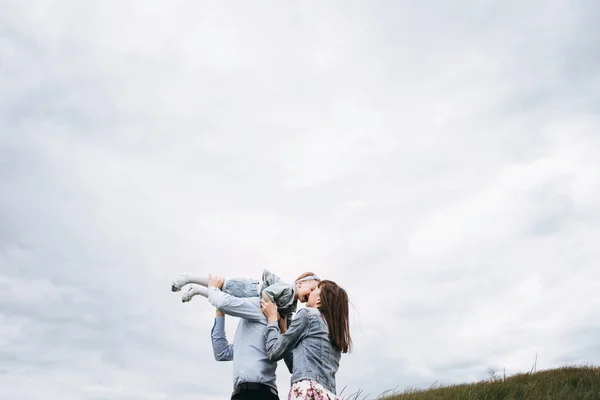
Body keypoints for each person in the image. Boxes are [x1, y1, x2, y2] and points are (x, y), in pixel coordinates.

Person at [260, 280, 352, 400]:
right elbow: (295, 366)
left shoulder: (307, 314)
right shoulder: (334, 330)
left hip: (307, 391)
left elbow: (274, 352)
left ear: (319, 299)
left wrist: (272, 319)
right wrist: (284, 331)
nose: (311, 292)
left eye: (315, 290)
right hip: (328, 393)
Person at [207, 274, 291, 400]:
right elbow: (222, 353)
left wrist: (213, 288)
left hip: (260, 393)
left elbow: (222, 301)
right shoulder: (249, 324)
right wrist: (219, 313)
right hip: (240, 393)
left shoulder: (261, 306)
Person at [172, 269, 320, 319]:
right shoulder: (287, 288)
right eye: (312, 289)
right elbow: (267, 292)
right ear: (299, 283)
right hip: (249, 289)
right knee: (222, 285)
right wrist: (272, 308)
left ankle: (196, 290)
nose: (311, 294)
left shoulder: (292, 306)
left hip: (253, 299)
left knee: (224, 300)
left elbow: (287, 319)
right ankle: (190, 277)